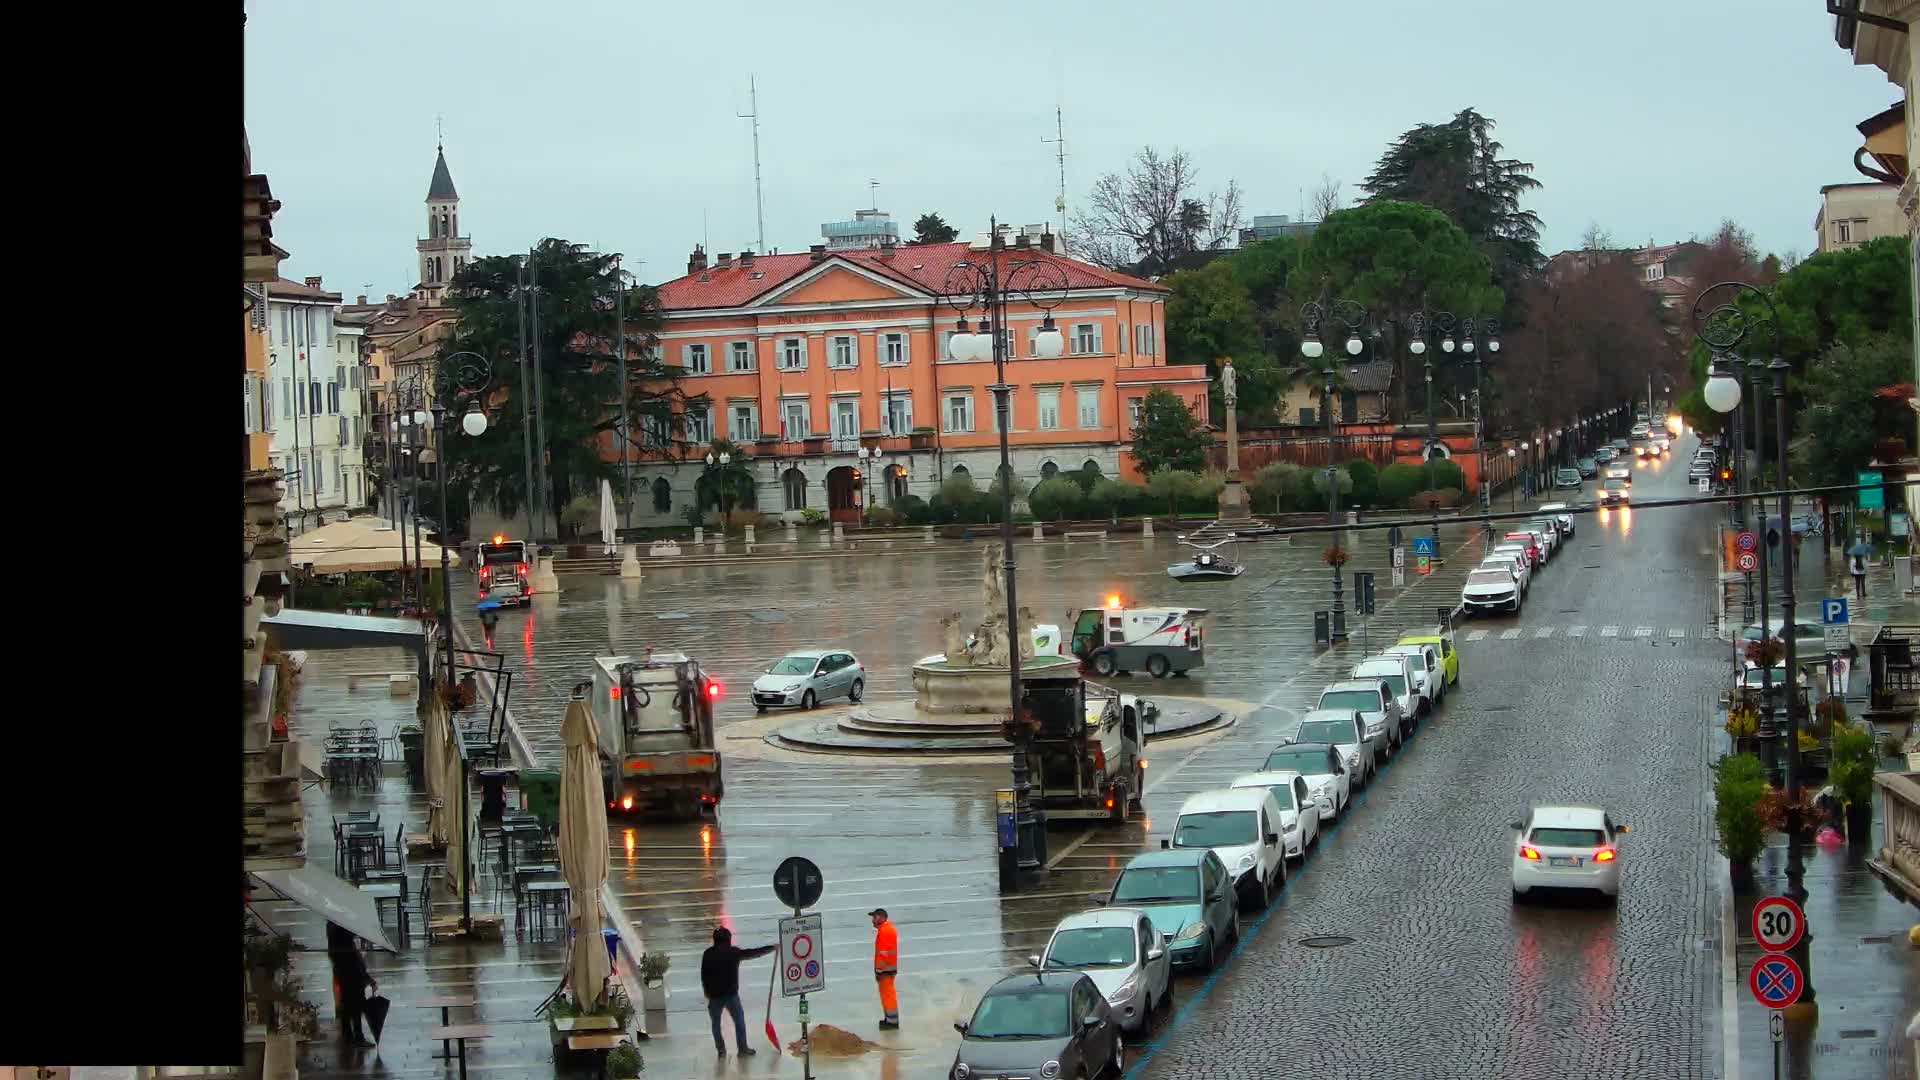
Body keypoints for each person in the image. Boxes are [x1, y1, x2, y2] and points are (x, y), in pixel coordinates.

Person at [700, 926, 773, 1058]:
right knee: (739, 1020)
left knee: (716, 1024)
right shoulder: (733, 952)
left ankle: (721, 1050)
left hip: (714, 996)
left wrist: (706, 991)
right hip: (730, 995)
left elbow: (703, 974)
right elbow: (753, 953)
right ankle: (742, 1048)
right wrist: (771, 948)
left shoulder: (708, 953)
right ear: (728, 939)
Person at [326, 922, 374, 1047]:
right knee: (356, 1002)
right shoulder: (340, 926)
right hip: (350, 968)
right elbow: (350, 951)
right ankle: (357, 1036)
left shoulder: (332, 924)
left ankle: (348, 1035)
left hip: (343, 967)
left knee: (347, 1002)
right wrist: (365, 975)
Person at [870, 908, 899, 1029]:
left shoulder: (884, 931)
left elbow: (883, 954)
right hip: (888, 969)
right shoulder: (887, 929)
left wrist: (878, 971)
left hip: (885, 971)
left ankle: (892, 1022)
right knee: (887, 995)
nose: (872, 920)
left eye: (874, 917)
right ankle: (890, 1019)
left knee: (888, 996)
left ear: (881, 917)